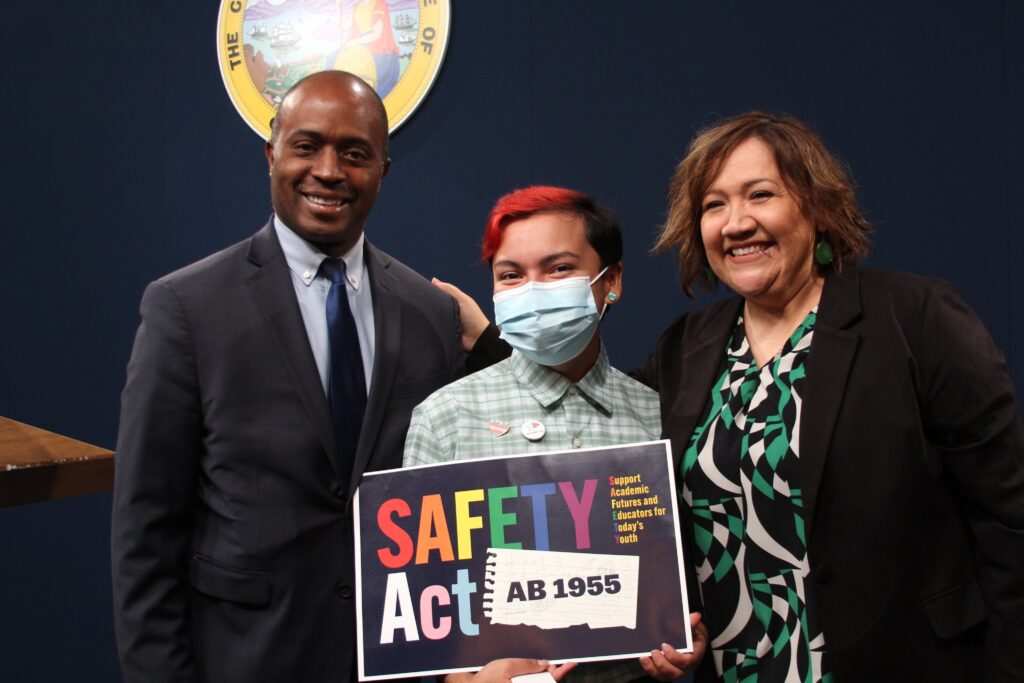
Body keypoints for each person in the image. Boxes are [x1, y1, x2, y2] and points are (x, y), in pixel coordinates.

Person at [450, 113, 1024, 682]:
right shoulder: (687, 349)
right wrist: (490, 349)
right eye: (714, 205)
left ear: (817, 206)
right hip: (739, 670)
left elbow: (1008, 520)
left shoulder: (915, 318)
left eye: (761, 194)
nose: (736, 223)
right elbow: (596, 407)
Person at [111, 71, 467, 683]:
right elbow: (146, 533)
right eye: (307, 146)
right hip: (248, 660)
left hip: (401, 667)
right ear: (271, 155)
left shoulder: (431, 314)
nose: (328, 170)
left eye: (354, 153)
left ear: (383, 168)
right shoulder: (187, 307)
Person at [406, 186, 708, 682]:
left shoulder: (660, 417)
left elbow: (684, 580)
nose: (533, 290)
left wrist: (685, 636)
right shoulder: (445, 417)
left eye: (559, 268)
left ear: (610, 280)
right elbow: (421, 611)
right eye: (511, 275)